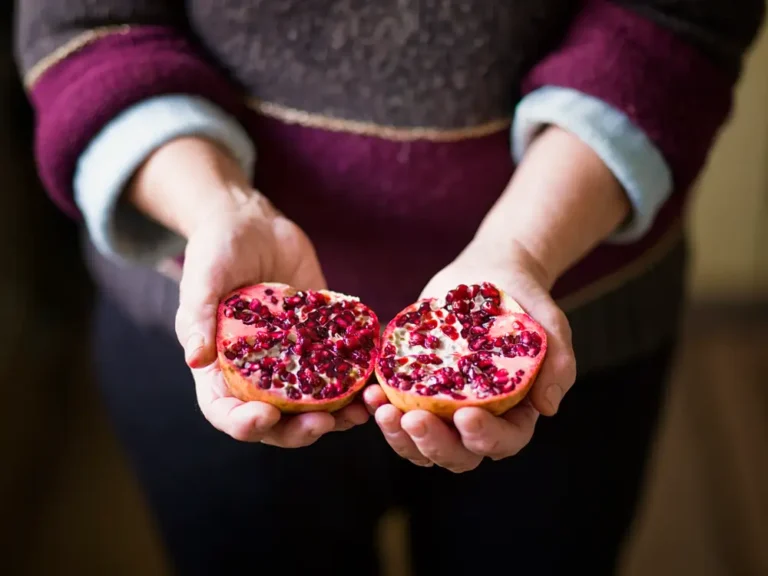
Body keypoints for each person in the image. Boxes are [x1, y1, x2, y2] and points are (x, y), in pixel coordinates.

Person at [15, 1, 764, 574]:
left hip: (577, 306)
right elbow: (86, 22)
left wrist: (524, 248)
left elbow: (678, 19)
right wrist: (218, 207)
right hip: (196, 301)